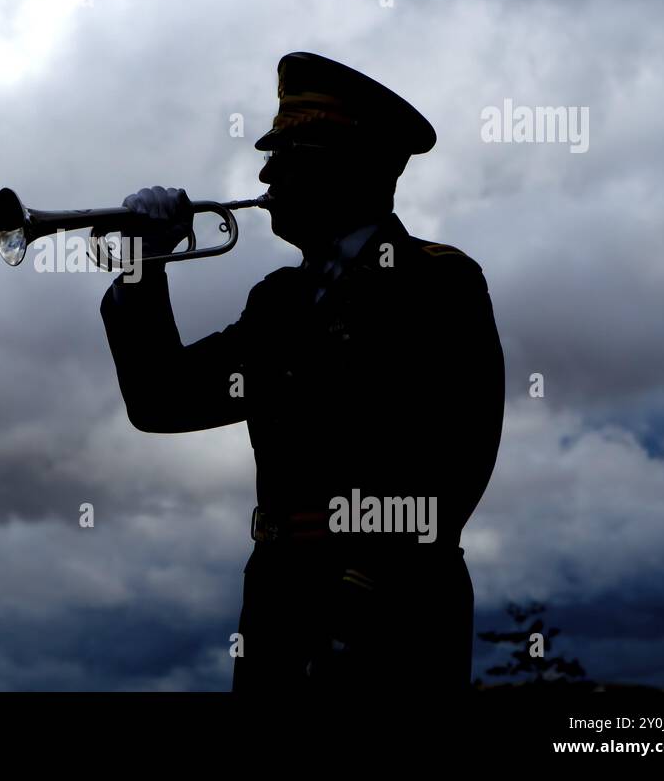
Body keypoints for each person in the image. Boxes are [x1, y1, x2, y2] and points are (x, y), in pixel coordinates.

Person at [99, 51, 505, 693]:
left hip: (393, 595)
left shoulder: (437, 279)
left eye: (284, 157)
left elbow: (456, 452)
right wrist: (142, 266)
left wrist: (362, 591)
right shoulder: (279, 300)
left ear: (343, 166)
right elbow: (163, 402)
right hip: (279, 590)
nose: (264, 174)